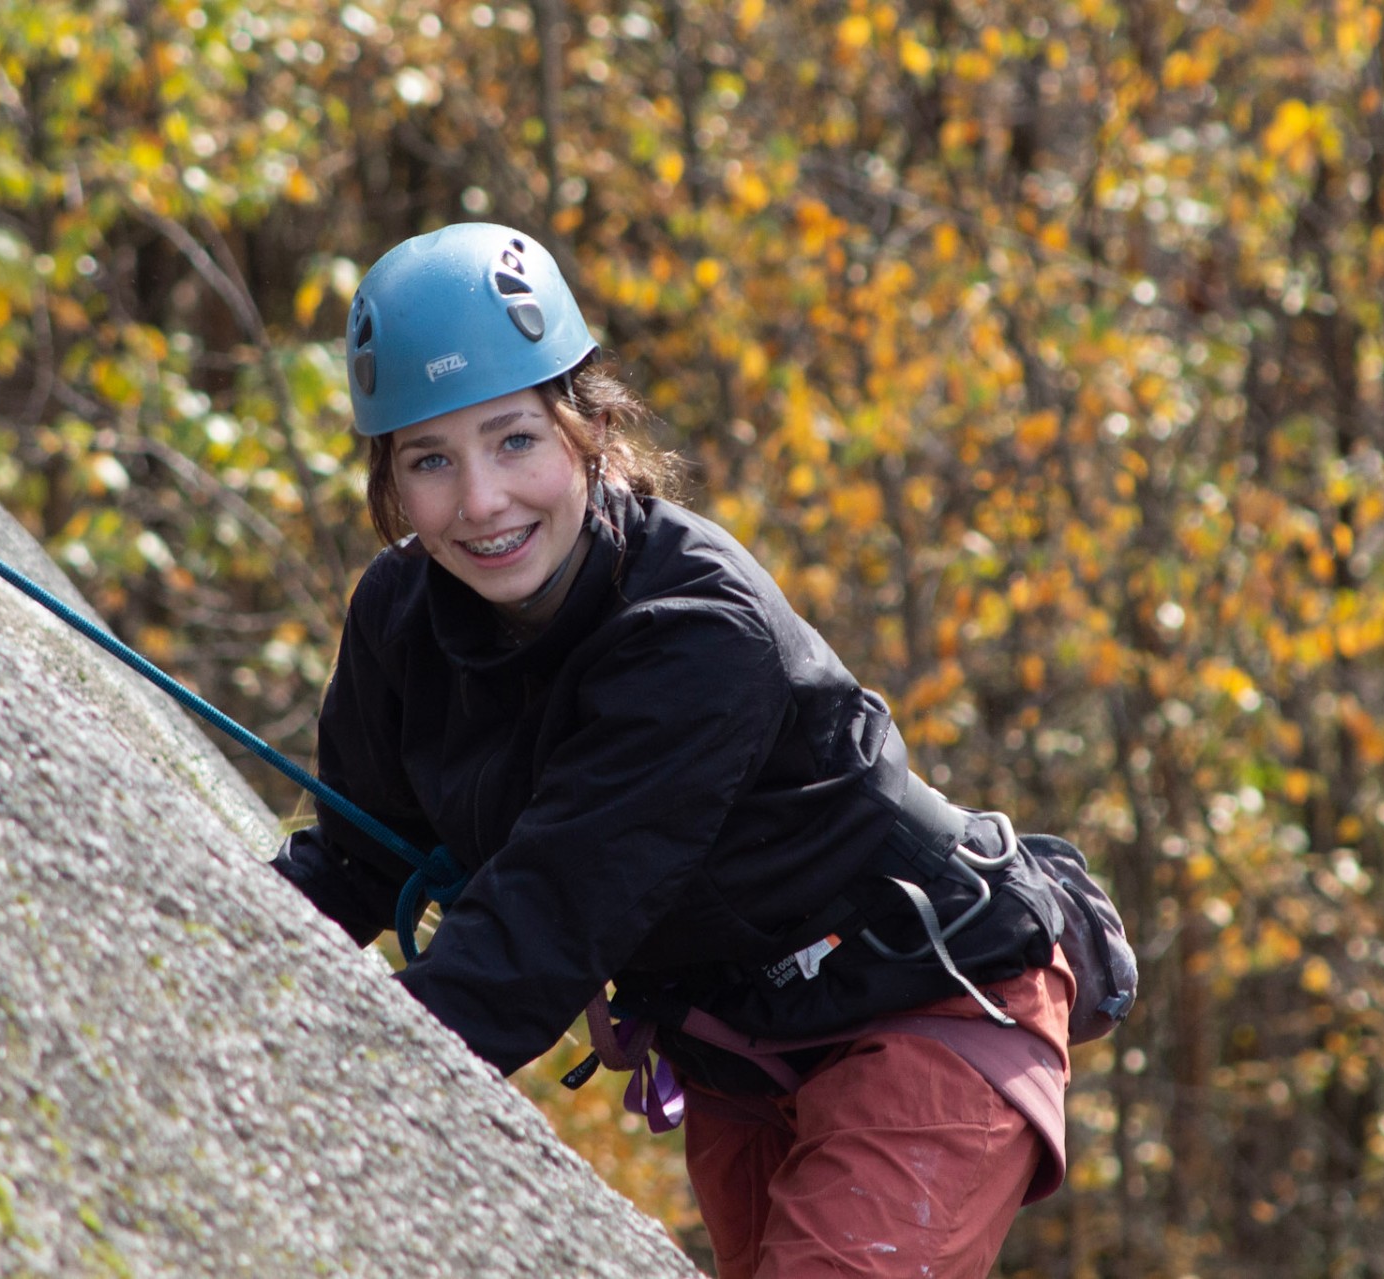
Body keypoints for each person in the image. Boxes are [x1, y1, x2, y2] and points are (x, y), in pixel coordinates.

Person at [271, 222, 1079, 1278]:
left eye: (514, 439)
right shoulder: (401, 617)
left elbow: (542, 928)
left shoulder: (694, 632)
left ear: (589, 426)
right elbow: (359, 857)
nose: (479, 502)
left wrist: (312, 1088)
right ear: (390, 478)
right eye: (431, 460)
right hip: (741, 1046)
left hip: (926, 1003)